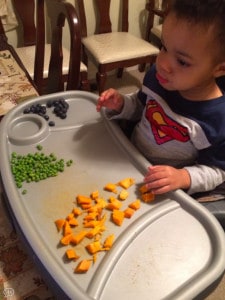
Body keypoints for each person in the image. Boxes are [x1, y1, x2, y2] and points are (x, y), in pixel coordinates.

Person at [96, 0, 225, 196]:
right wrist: (122, 104)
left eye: (182, 61)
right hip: (130, 159)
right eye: (164, 47)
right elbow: (142, 106)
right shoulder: (159, 77)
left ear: (219, 69)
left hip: (164, 189)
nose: (163, 63)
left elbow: (217, 171)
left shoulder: (217, 119)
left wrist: (183, 177)